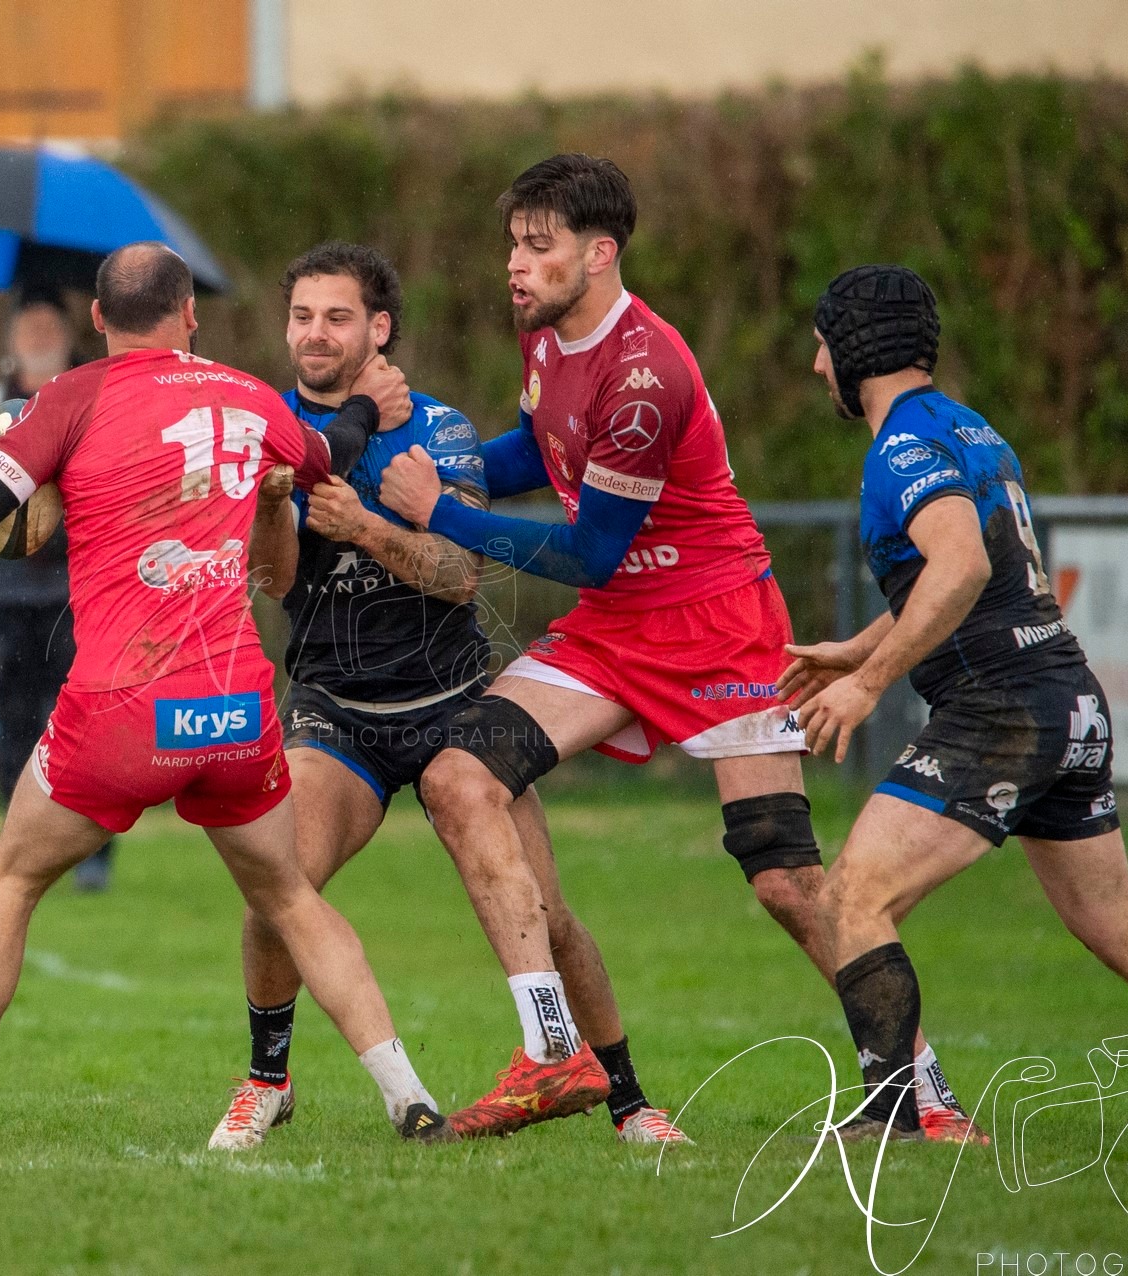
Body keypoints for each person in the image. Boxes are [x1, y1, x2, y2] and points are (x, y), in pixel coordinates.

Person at [378, 154, 978, 1141]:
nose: (514, 268)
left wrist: (437, 507)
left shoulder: (647, 374)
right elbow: (537, 449)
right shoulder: (549, 342)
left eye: (539, 247)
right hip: (618, 627)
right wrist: (436, 468)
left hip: (714, 623)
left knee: (781, 876)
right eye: (511, 247)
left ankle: (922, 1089)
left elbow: (586, 550)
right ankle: (554, 1050)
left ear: (599, 252)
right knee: (459, 776)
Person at [0, 241, 455, 1149]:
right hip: (236, 711)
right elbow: (332, 452)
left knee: (8, 880)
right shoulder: (246, 395)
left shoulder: (69, 401)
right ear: (191, 314)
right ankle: (410, 1099)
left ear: (96, 319)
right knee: (290, 897)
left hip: (120, 714)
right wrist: (370, 401)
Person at [210, 241, 685, 1149]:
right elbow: (272, 580)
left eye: (337, 316)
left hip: (452, 705)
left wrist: (366, 527)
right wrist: (280, 509)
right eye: (302, 316)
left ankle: (625, 1097)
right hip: (335, 713)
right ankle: (267, 1078)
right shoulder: (268, 427)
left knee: (547, 914)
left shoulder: (439, 429)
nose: (315, 334)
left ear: (379, 328)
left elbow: (461, 574)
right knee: (278, 885)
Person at [784, 264, 1128, 1144]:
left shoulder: (900, 446)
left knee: (850, 896)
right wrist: (855, 649)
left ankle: (894, 1118)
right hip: (1067, 698)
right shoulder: (970, 427)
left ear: (854, 347)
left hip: (1002, 709)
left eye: (822, 343)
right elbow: (974, 571)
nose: (816, 364)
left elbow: (961, 566)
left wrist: (869, 682)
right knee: (1118, 927)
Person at [0, 296, 117, 891]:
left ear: (70, 333)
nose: (38, 335)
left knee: (89, 723)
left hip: (80, 591)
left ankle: (95, 850)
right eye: (28, 326)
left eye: (49, 325)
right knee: (17, 723)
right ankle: (18, 848)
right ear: (12, 335)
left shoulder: (92, 394)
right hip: (5, 597)